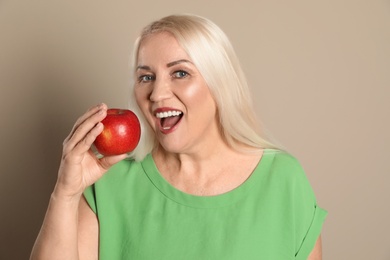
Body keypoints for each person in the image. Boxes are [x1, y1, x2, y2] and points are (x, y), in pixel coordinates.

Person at [30, 14, 327, 260]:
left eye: (180, 73)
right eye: (146, 77)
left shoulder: (283, 181)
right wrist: (65, 193)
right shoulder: (110, 185)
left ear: (218, 82)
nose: (157, 94)